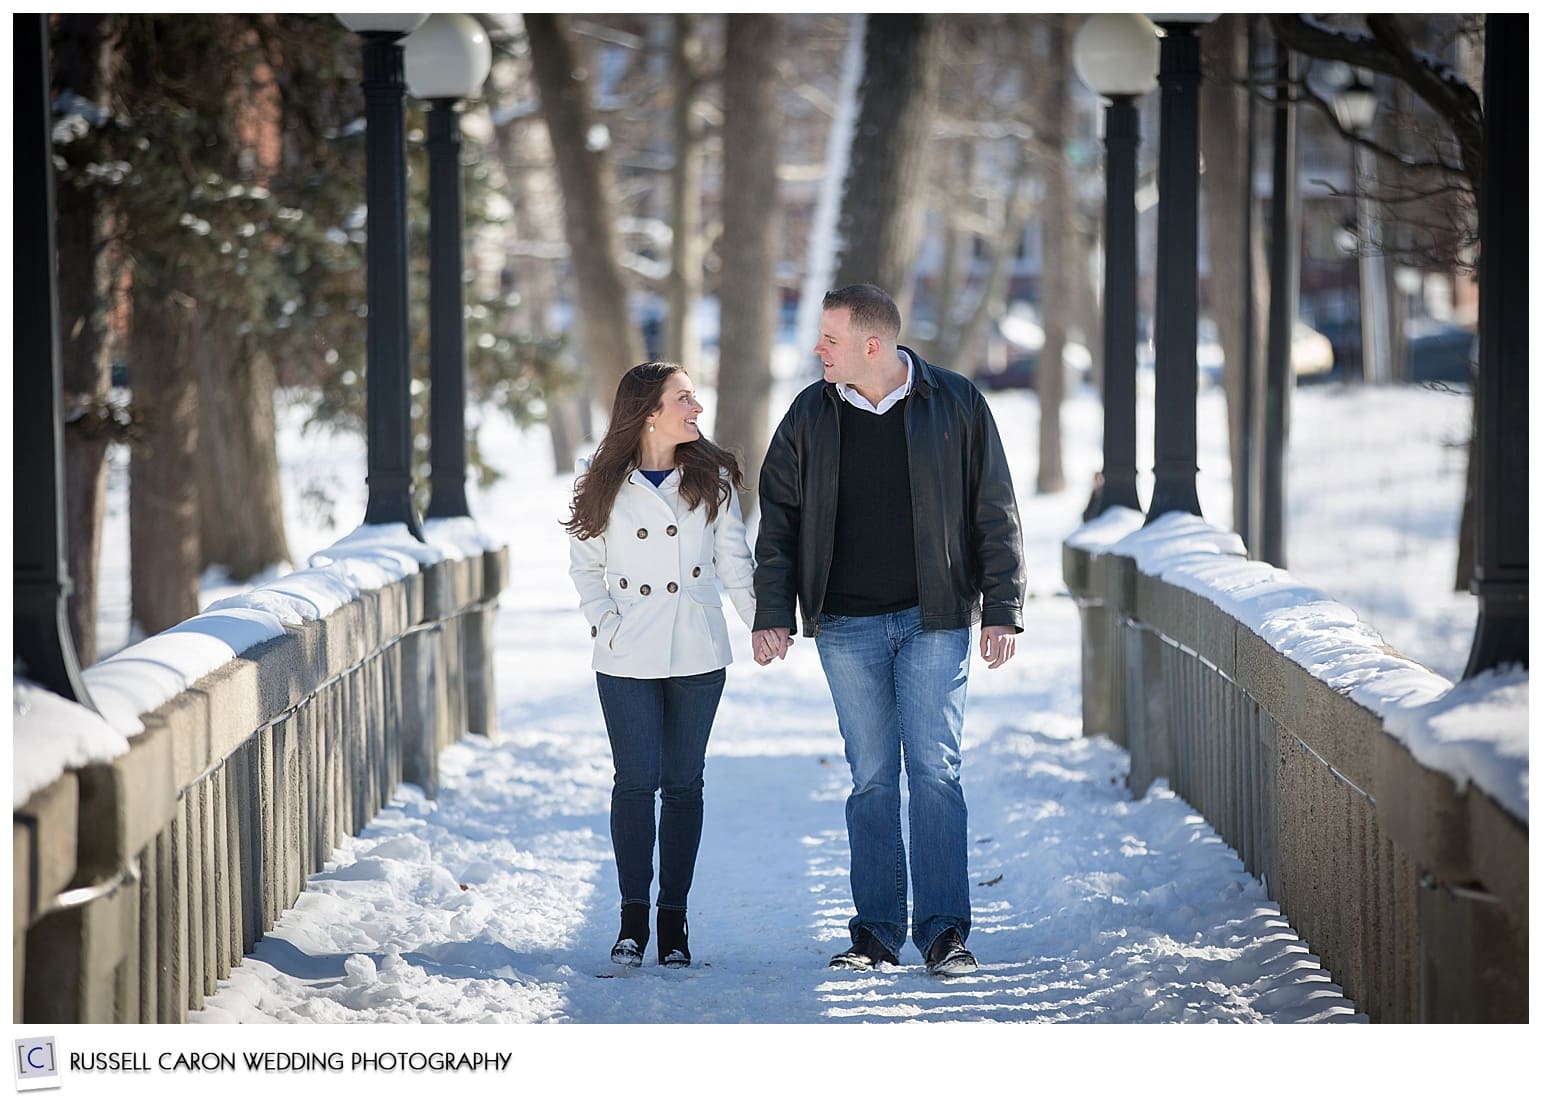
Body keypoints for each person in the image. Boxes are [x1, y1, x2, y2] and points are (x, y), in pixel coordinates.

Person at [752, 283, 1026, 977]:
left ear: (872, 345)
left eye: (831, 339)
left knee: (935, 772)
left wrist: (1002, 606)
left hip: (935, 619)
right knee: (872, 778)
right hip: (845, 625)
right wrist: (773, 610)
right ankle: (876, 935)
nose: (818, 349)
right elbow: (777, 518)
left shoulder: (956, 402)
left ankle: (943, 935)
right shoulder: (810, 414)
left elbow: (994, 506)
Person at [565, 361, 757, 969]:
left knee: (683, 785)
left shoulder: (712, 479)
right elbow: (586, 569)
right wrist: (608, 624)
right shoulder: (599, 482)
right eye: (685, 398)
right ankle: (631, 923)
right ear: (650, 412)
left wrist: (765, 625)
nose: (697, 408)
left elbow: (734, 564)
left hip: (697, 649)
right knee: (634, 781)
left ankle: (673, 923)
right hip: (626, 654)